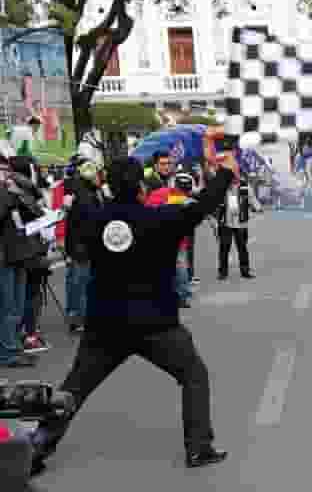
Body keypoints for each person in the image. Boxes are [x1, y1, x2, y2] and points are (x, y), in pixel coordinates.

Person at [28, 155, 235, 476]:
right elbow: (203, 206)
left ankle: (36, 446)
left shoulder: (94, 219)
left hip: (104, 325)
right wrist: (223, 173)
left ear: (108, 185)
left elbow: (77, 235)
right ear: (141, 185)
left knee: (73, 388)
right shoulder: (160, 218)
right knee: (193, 375)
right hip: (156, 323)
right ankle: (198, 447)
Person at [1, 156, 47, 369]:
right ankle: (7, 353)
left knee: (17, 306)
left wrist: (21, 192)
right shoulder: (5, 194)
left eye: (6, 169)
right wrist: (9, 195)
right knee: (8, 307)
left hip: (19, 254)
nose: (5, 173)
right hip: (4, 257)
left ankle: (14, 347)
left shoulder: (12, 190)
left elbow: (35, 211)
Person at [64, 160, 104, 333]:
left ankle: (76, 316)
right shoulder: (86, 196)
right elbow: (92, 221)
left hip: (77, 244)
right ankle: (82, 319)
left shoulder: (79, 190)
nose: (100, 178)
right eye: (97, 174)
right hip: (84, 245)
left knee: (76, 282)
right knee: (83, 283)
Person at [147, 173, 197, 309]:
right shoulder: (188, 200)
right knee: (179, 267)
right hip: (173, 239)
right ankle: (181, 296)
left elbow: (147, 211)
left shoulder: (159, 193)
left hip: (161, 238)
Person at [216, 170, 261, 280]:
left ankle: (245, 271)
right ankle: (223, 272)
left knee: (242, 248)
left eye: (236, 174)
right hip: (225, 221)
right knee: (224, 248)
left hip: (241, 222)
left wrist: (258, 207)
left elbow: (252, 199)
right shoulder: (222, 185)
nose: (234, 177)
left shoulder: (245, 186)